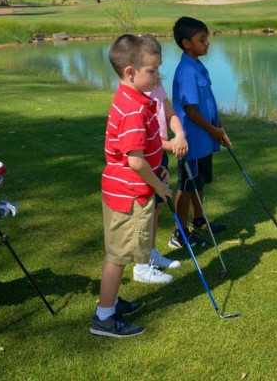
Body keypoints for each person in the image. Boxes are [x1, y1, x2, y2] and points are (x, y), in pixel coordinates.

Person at [92, 34, 171, 338]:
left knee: (119, 252)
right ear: (130, 72)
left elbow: (144, 152)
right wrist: (159, 187)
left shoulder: (133, 99)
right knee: (117, 255)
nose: (156, 76)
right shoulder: (134, 108)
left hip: (123, 189)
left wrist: (158, 167)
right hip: (128, 193)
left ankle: (110, 303)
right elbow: (135, 161)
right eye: (152, 71)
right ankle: (104, 316)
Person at [168, 17, 230, 249]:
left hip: (205, 140)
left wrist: (219, 128)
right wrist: (213, 130)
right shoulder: (186, 71)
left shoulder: (198, 67)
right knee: (186, 186)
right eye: (201, 40)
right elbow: (191, 111)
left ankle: (198, 221)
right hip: (192, 141)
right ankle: (179, 232)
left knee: (198, 183)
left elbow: (208, 103)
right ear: (186, 43)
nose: (207, 44)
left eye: (207, 39)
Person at [131, 73, 187, 283]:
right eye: (152, 68)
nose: (157, 72)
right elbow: (144, 139)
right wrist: (172, 145)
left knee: (158, 206)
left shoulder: (157, 85)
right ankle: (141, 266)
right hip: (146, 155)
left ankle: (150, 253)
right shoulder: (138, 93)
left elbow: (170, 112)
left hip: (159, 153)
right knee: (146, 209)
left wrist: (179, 134)